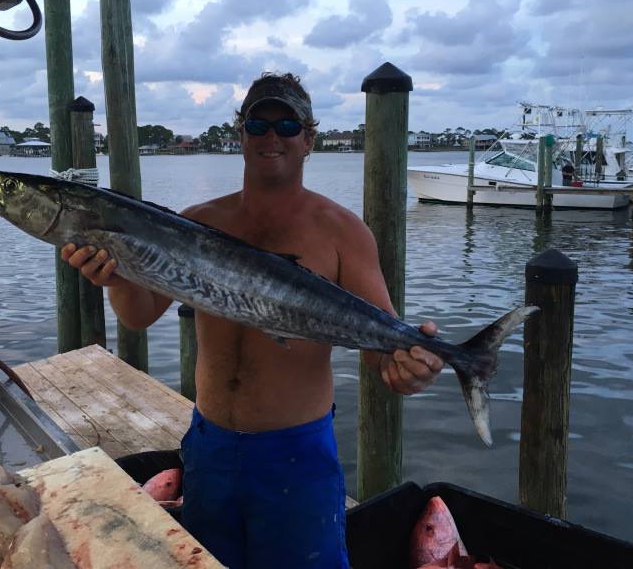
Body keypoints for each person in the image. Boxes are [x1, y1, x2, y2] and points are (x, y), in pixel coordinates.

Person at [62, 72, 443, 568]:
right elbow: (138, 316)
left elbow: (381, 346)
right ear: (239, 134)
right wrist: (113, 279)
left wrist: (408, 370)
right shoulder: (196, 223)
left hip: (297, 454)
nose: (272, 138)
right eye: (258, 125)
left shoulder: (342, 232)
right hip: (210, 445)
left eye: (287, 125)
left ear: (309, 139)